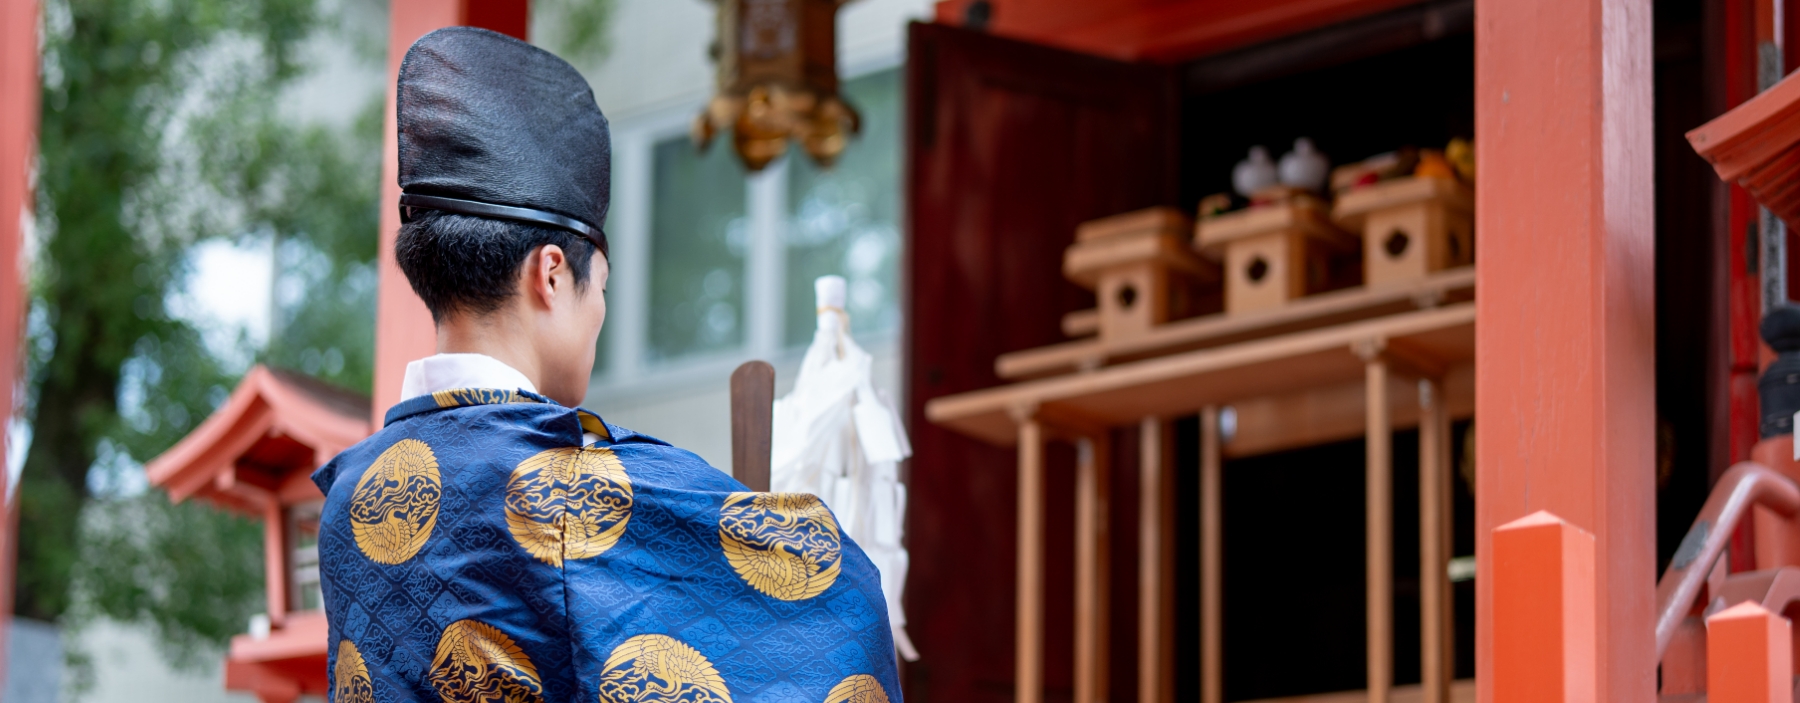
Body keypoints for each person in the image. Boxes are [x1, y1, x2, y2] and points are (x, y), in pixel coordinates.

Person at [311, 27, 902, 703]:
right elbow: (834, 584)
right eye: (603, 289)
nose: (599, 318)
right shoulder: (567, 486)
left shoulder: (349, 498)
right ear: (553, 275)